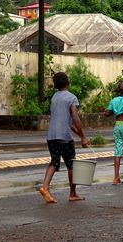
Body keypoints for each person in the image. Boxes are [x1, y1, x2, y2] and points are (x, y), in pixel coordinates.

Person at [39, 72, 89, 204]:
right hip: (65, 137)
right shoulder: (72, 98)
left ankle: (45, 187)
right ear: (68, 82)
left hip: (51, 136)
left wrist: (78, 134)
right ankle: (72, 194)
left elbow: (64, 121)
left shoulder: (54, 97)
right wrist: (83, 136)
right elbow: (75, 119)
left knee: (54, 162)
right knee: (71, 165)